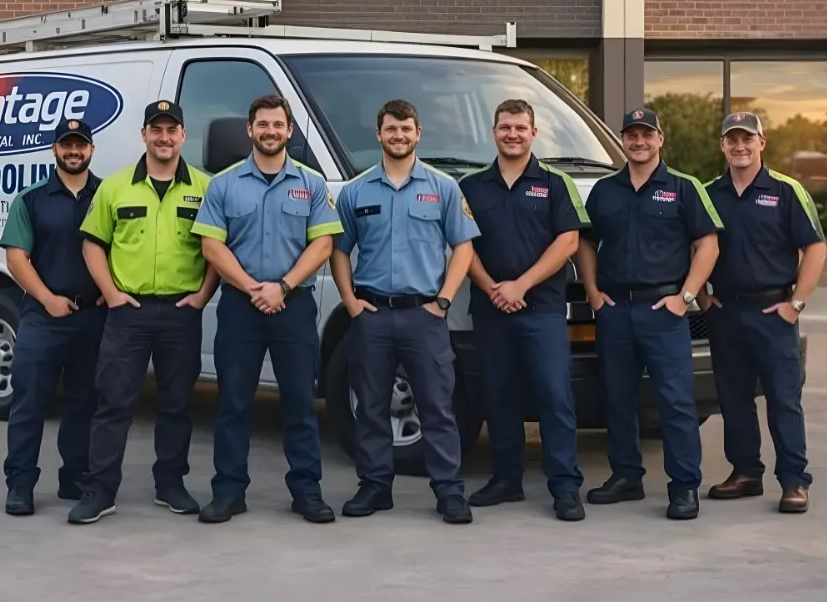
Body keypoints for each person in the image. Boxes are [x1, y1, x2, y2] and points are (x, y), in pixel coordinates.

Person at [190, 92, 343, 525]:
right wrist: (253, 288)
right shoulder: (224, 184)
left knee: (299, 402)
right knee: (233, 402)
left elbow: (323, 243)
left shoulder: (311, 183)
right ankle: (228, 493)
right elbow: (211, 246)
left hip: (294, 306)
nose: (270, 131)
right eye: (263, 124)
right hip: (240, 306)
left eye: (278, 124)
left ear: (289, 130)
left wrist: (283, 286)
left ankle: (307, 492)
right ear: (250, 130)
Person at [67, 101, 217, 525]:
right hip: (127, 314)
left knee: (176, 404)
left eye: (172, 130)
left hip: (181, 313)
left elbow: (216, 248)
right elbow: (92, 244)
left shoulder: (206, 188)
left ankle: (170, 484)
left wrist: (203, 295)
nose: (164, 137)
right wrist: (111, 294)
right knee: (113, 403)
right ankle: (100, 490)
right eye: (156, 129)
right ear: (144, 135)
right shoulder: (115, 187)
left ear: (183, 135)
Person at [331, 99, 479, 525]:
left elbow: (463, 247)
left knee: (437, 407)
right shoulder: (356, 191)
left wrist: (443, 301)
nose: (399, 136)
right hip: (372, 314)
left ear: (418, 134)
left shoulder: (444, 188)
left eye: (406, 129)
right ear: (379, 134)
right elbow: (338, 250)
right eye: (391, 129)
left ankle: (449, 491)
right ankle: (375, 487)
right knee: (371, 405)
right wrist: (350, 301)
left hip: (424, 316)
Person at [576, 107, 722, 520]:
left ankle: (684, 486)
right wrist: (592, 291)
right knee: (618, 398)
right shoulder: (604, 190)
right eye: (631, 135)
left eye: (646, 134)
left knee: (675, 402)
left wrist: (685, 296)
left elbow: (708, 245)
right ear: (622, 140)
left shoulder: (684, 187)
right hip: (615, 311)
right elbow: (585, 242)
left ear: (660, 139)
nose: (639, 142)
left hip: (663, 312)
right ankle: (627, 476)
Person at [459, 98, 589, 522]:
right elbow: (462, 244)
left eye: (520, 127)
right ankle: (506, 479)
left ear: (534, 133)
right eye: (505, 127)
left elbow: (568, 242)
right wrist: (491, 287)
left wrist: (521, 285)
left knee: (555, 396)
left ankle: (564, 486)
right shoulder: (471, 186)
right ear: (493, 132)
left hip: (542, 310)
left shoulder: (556, 183)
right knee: (499, 396)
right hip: (491, 309)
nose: (512, 134)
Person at [701, 111, 827, 513]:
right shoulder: (708, 193)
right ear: (722, 145)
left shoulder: (787, 190)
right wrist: (701, 297)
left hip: (773, 311)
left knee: (783, 399)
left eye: (747, 139)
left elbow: (815, 247)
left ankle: (794, 481)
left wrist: (796, 304)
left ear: (762, 142)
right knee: (733, 398)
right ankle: (745, 473)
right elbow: (692, 246)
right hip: (725, 311)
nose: (740, 146)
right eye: (732, 139)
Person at [0, 118, 105, 516]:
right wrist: (48, 299)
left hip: (93, 315)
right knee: (29, 400)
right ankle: (20, 485)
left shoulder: (108, 195)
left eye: (80, 144)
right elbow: (16, 258)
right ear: (55, 149)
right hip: (43, 316)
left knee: (85, 401)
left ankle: (74, 478)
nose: (73, 151)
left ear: (91, 150)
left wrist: (110, 291)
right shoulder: (31, 199)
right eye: (66, 144)